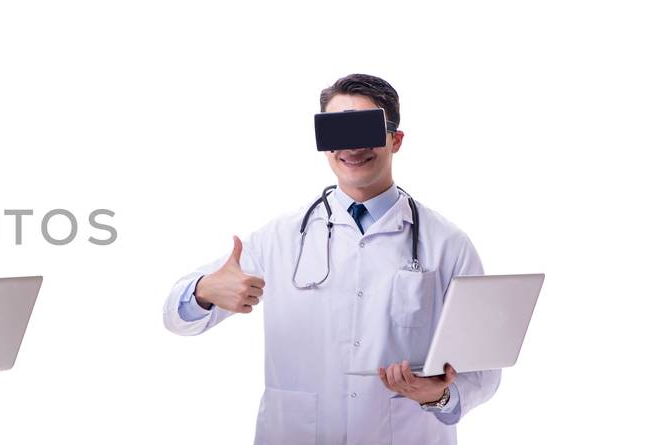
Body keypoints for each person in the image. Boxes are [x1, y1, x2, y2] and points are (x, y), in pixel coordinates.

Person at [162, 74, 500, 444]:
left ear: (396, 140)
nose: (352, 147)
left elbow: (481, 370)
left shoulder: (448, 244)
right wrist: (204, 292)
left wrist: (438, 396)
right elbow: (176, 318)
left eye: (365, 129)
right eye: (338, 131)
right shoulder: (281, 237)